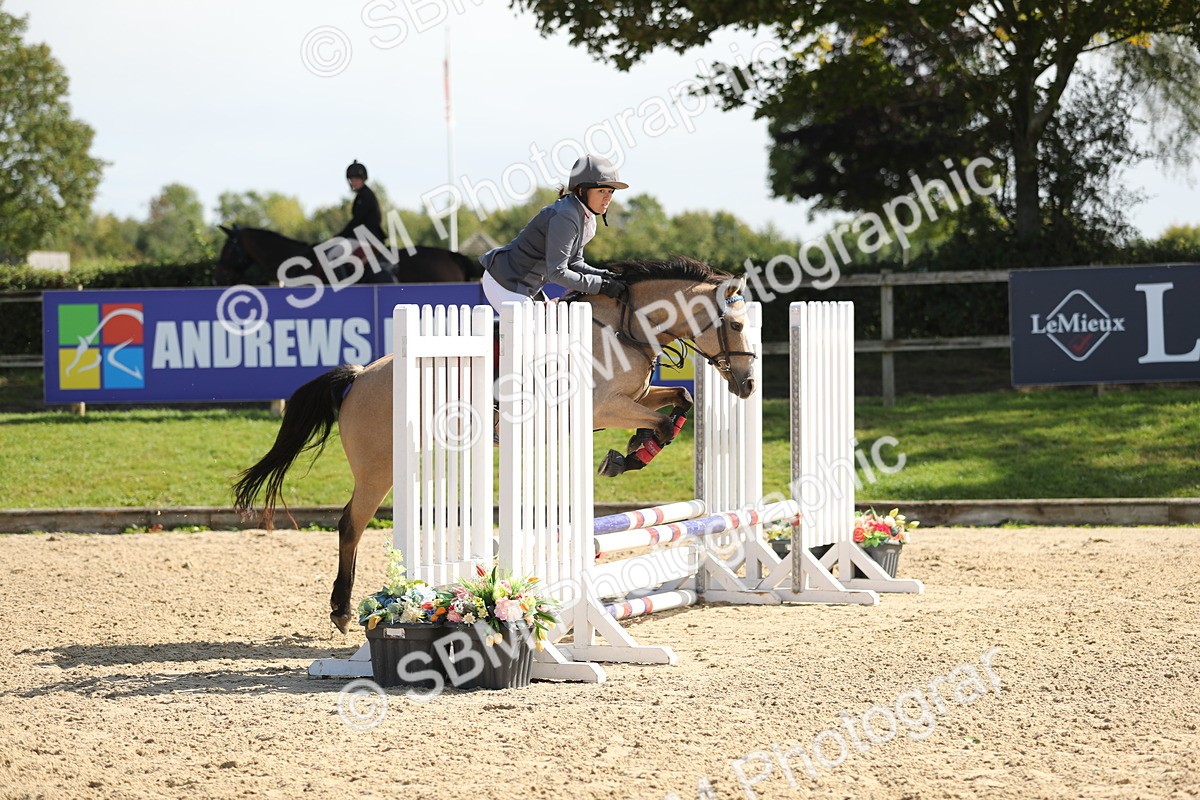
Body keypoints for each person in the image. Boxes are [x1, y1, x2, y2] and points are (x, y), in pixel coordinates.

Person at [479, 154, 629, 311]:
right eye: (601, 191)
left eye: (611, 191)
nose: (607, 198)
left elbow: (574, 263)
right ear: (581, 190)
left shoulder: (585, 217)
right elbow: (557, 272)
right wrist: (601, 285)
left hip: (526, 285)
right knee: (532, 334)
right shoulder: (566, 215)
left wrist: (604, 275)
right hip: (504, 281)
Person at [335, 160, 385, 261]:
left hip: (366, 238)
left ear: (363, 179)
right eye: (352, 179)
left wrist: (339, 236)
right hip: (364, 237)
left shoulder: (365, 196)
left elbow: (356, 221)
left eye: (357, 179)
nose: (354, 182)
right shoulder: (364, 195)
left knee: (333, 255)